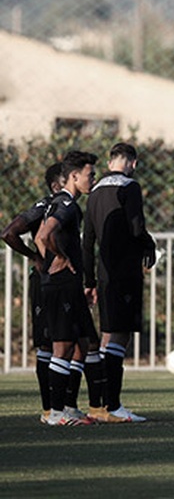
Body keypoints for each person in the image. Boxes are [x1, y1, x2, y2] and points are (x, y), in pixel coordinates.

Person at [82, 143, 156, 423]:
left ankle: (100, 404)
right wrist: (149, 243)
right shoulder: (130, 186)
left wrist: (89, 279)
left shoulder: (95, 190)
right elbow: (136, 227)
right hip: (125, 271)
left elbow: (87, 241)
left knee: (107, 334)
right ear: (133, 163)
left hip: (103, 273)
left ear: (110, 162)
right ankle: (113, 405)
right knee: (120, 336)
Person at [34, 150, 100, 426]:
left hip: (68, 285)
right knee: (62, 347)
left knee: (84, 342)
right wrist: (58, 257)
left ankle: (69, 407)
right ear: (74, 176)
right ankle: (55, 413)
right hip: (60, 285)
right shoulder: (66, 204)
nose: (92, 179)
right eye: (89, 175)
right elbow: (42, 235)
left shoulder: (63, 203)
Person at [2, 163, 68, 422]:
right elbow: (9, 233)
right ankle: (51, 409)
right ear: (56, 185)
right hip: (46, 281)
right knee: (50, 344)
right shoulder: (46, 206)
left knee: (75, 343)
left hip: (62, 282)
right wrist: (34, 257)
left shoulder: (66, 207)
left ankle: (65, 407)